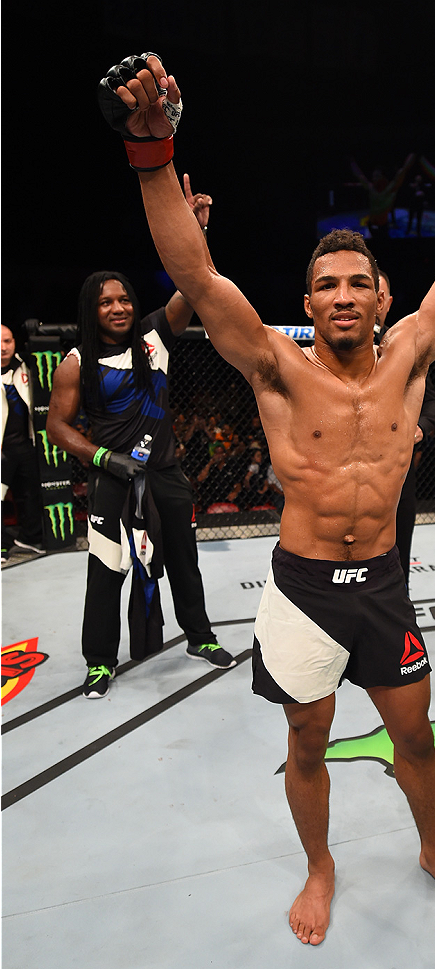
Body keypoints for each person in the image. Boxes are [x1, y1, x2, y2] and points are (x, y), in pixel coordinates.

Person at [98, 54, 435, 942]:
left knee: (416, 739)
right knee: (307, 741)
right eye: (327, 285)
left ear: (383, 297)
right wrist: (152, 150)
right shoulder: (274, 363)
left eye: (358, 283)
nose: (343, 296)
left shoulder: (413, 356)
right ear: (306, 299)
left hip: (382, 586)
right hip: (303, 588)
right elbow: (194, 274)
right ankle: (320, 864)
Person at [46, 174, 235, 698]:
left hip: (166, 474)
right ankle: (100, 662)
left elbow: (197, 284)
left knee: (184, 563)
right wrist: (105, 458)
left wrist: (196, 232)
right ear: (92, 309)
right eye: (106, 302)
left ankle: (199, 637)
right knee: (106, 573)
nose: (119, 307)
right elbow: (56, 427)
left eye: (124, 298)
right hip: (112, 480)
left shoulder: (156, 335)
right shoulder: (76, 363)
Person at [374, 270, 435, 585]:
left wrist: (421, 430)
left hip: (398, 471)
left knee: (399, 550)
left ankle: (398, 614)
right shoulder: (333, 345)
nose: (372, 301)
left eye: (379, 294)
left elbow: (431, 403)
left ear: (386, 302)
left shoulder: (404, 347)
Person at [1, 323, 46, 561]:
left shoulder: (23, 366)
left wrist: (34, 334)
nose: (3, 347)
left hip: (25, 444)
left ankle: (29, 539)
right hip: (1, 447)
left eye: (7, 341)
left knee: (29, 493)